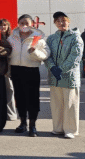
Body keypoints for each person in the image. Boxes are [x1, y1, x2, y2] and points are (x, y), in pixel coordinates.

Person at [8, 14, 50, 137]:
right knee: (20, 97)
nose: (24, 25)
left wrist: (35, 52)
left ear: (32, 24)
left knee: (32, 99)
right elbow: (7, 53)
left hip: (31, 71)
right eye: (22, 23)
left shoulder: (38, 38)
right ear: (18, 24)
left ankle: (33, 125)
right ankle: (22, 123)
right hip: (16, 70)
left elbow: (46, 54)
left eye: (27, 23)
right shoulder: (12, 38)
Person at [45, 11, 83, 139]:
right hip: (54, 77)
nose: (61, 23)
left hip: (69, 77)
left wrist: (60, 70)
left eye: (63, 20)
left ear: (68, 21)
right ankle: (58, 128)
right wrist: (52, 67)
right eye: (58, 21)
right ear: (55, 23)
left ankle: (70, 130)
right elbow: (47, 55)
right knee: (56, 104)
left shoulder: (76, 37)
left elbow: (75, 58)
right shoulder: (51, 38)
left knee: (70, 104)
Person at [0, 18, 17, 121]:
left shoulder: (12, 38)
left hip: (9, 69)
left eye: (5, 25)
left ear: (8, 26)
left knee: (10, 91)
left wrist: (3, 50)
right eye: (1, 25)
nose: (3, 27)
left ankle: (11, 114)